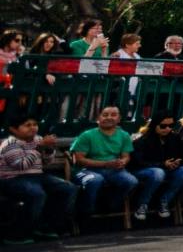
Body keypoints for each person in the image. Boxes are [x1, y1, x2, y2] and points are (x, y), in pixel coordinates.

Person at [0, 110, 76, 242]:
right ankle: (18, 234)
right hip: (12, 179)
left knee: (67, 188)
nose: (32, 128)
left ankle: (46, 227)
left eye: (34, 124)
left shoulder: (38, 139)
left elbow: (47, 162)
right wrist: (39, 149)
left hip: (37, 176)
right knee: (36, 194)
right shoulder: (10, 144)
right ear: (14, 129)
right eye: (27, 125)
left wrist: (49, 149)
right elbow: (22, 165)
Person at [68, 104, 138, 222]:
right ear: (98, 118)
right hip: (87, 170)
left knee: (131, 181)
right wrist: (105, 164)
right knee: (96, 180)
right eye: (105, 115)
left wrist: (122, 162)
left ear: (119, 119)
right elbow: (79, 160)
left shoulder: (124, 135)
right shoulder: (87, 135)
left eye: (113, 115)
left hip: (113, 169)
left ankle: (110, 207)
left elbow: (126, 156)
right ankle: (85, 213)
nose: (109, 117)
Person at [128, 113, 183, 223]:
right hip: (143, 170)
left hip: (167, 169)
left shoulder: (175, 138)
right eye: (163, 126)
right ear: (155, 125)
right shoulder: (143, 140)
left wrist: (177, 162)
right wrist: (162, 164)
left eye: (170, 126)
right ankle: (143, 204)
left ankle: (165, 201)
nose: (167, 129)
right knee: (158, 173)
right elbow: (138, 162)